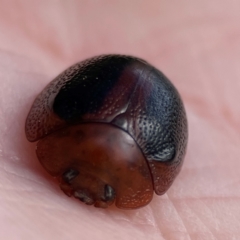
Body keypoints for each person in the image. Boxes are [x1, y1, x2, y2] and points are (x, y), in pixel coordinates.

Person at [0, 1, 239, 239]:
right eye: (107, 191)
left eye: (71, 173)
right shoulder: (155, 160)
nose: (83, 194)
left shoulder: (61, 123)